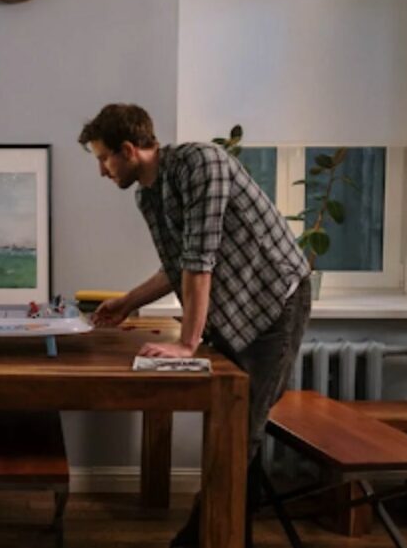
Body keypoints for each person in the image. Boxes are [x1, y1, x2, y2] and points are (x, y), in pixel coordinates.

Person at [78, 104, 311, 548]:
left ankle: (196, 541)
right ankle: (227, 534)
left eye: (104, 157)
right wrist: (127, 303)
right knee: (240, 431)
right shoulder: (147, 194)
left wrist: (187, 344)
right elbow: (176, 266)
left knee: (241, 431)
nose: (102, 170)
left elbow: (200, 262)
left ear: (129, 150)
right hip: (231, 309)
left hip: (273, 303)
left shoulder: (202, 163)